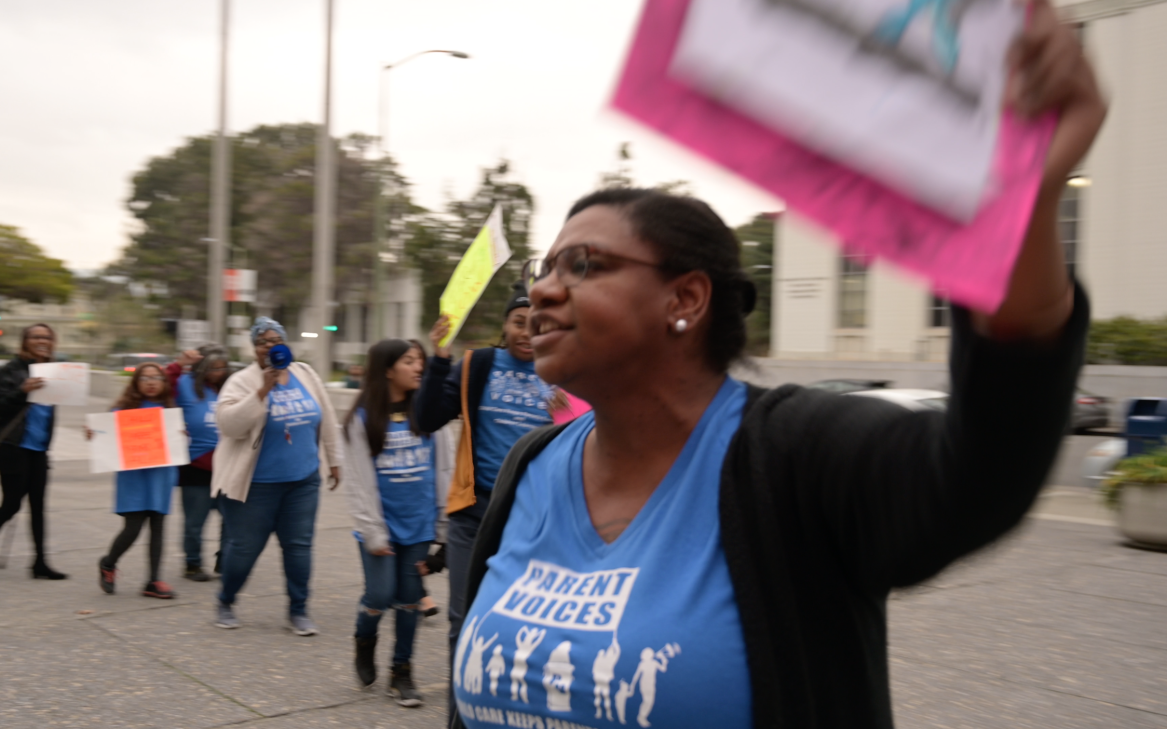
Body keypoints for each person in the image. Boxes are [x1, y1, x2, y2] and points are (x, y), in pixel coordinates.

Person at [450, 5, 1104, 727]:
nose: (542, 289)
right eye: (545, 267)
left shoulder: (794, 454)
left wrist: (1014, 214)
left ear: (685, 298)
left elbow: (979, 474)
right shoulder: (530, 468)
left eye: (583, 264)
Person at [415, 281, 561, 710]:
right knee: (463, 621)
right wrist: (439, 357)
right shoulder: (477, 365)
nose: (527, 333)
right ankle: (461, 713)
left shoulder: (560, 376)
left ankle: (510, 706)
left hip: (532, 519)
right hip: (473, 512)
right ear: (505, 324)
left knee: (524, 621)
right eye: (519, 322)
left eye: (537, 326)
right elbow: (427, 418)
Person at [211, 316, 343, 635]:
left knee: (299, 547)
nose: (269, 347)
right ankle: (226, 600)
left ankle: (298, 610)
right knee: (243, 550)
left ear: (286, 344)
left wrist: (334, 460)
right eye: (262, 342)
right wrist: (262, 391)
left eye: (275, 340)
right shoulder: (241, 381)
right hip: (256, 486)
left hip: (303, 481)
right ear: (254, 349)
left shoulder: (305, 373)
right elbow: (228, 425)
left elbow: (325, 418)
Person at [343, 338, 455, 707]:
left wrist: (442, 528)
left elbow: (444, 469)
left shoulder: (429, 414)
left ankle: (401, 672)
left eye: (420, 361)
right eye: (410, 361)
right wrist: (373, 531)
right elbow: (359, 481)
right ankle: (364, 639)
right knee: (378, 596)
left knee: (409, 600)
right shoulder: (362, 417)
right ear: (388, 369)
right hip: (380, 527)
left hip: (419, 527)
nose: (418, 367)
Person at [0, 324, 68, 581]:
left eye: (46, 336)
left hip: (39, 448)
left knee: (38, 507)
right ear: (25, 341)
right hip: (13, 446)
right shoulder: (12, 370)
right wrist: (23, 390)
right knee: (11, 504)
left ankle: (40, 563)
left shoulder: (54, 371)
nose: (42, 340)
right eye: (36, 336)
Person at [93, 363, 178, 599]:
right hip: (134, 477)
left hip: (160, 476)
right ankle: (108, 563)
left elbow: (180, 442)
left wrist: (184, 437)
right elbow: (103, 434)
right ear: (136, 383)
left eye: (156, 378)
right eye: (145, 378)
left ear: (163, 382)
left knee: (158, 527)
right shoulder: (123, 409)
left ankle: (153, 580)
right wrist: (93, 433)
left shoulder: (169, 409)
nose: (151, 382)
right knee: (133, 527)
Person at [165, 344, 230, 581]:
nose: (218, 372)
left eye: (222, 368)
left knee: (231, 519)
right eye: (213, 368)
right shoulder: (184, 383)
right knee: (195, 522)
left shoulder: (228, 387)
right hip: (196, 466)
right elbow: (160, 385)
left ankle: (225, 561)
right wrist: (178, 364)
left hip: (228, 465)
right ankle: (192, 564)